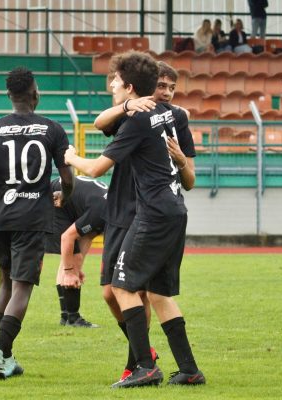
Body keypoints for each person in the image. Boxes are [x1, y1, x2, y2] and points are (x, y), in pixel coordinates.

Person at [67, 51, 204, 388]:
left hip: (153, 213)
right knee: (158, 294)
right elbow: (103, 121)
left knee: (121, 287)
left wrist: (71, 156)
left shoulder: (140, 121)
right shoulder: (168, 115)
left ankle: (145, 365)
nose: (112, 85)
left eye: (116, 81)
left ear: (128, 87)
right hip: (174, 210)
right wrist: (128, 107)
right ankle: (189, 370)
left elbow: (97, 168)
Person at [0, 67, 74, 380]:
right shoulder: (52, 129)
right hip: (33, 218)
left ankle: (6, 359)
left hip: (2, 217)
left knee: (5, 283)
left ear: (9, 95)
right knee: (23, 287)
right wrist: (64, 196)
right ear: (35, 94)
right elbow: (67, 176)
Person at [45, 176, 106, 329]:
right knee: (72, 259)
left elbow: (90, 235)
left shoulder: (109, 210)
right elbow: (67, 238)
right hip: (58, 198)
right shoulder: (103, 212)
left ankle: (66, 316)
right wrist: (70, 271)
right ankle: (72, 317)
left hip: (72, 199)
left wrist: (77, 267)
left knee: (75, 260)